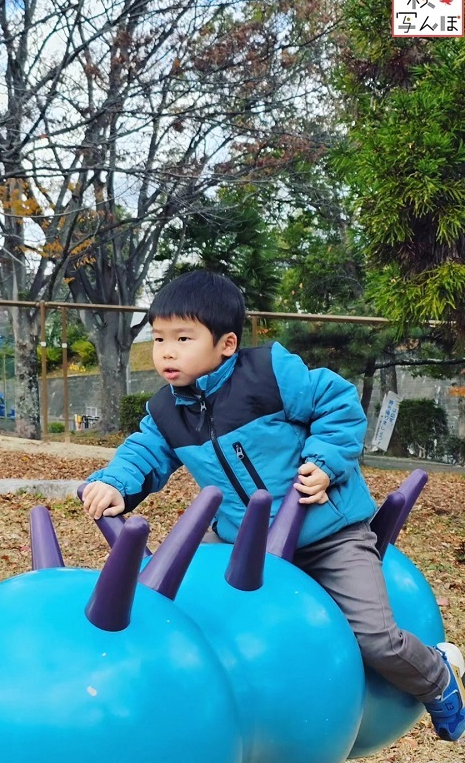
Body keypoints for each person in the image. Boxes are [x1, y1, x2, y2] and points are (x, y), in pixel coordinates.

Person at [81, 269, 464, 742]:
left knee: (373, 638)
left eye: (183, 338)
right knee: (178, 609)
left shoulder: (270, 374)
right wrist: (115, 483)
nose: (167, 352)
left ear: (225, 344)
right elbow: (144, 453)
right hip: (239, 541)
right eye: (159, 338)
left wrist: (324, 462)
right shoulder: (167, 411)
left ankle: (438, 676)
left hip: (327, 533)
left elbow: (339, 404)